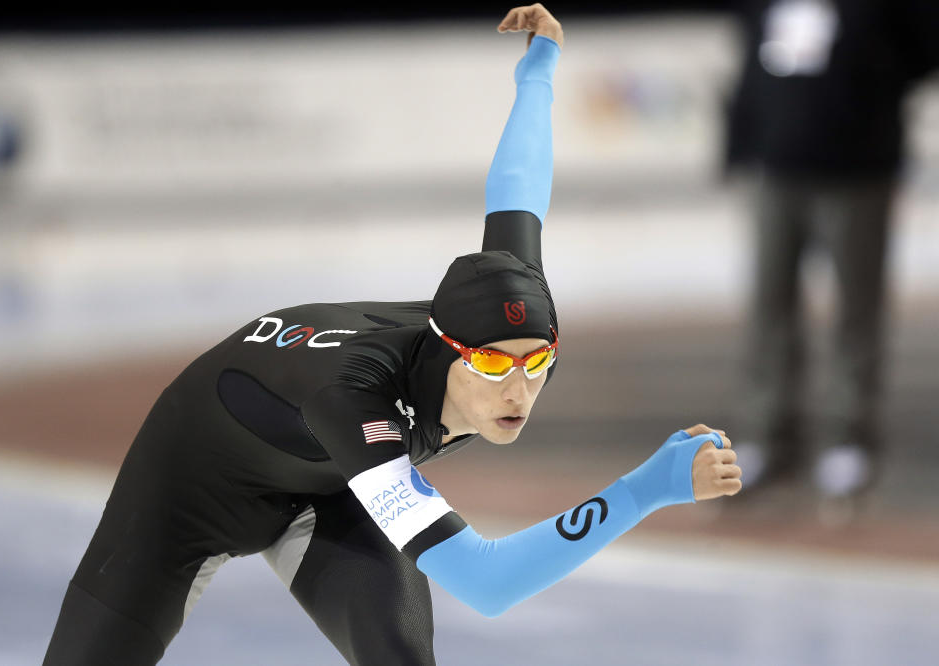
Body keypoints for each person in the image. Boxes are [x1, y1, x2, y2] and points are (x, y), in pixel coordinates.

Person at [45, 6, 742, 665]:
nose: (520, 388)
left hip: (332, 484)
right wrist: (646, 490)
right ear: (445, 350)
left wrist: (540, 69)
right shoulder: (355, 397)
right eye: (494, 366)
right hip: (193, 481)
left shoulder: (512, 305)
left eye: (538, 364)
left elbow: (519, 190)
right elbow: (488, 583)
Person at [725, 0, 938, 503]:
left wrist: (868, 90)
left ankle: (849, 434)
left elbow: (924, 48)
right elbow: (749, 63)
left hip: (857, 169)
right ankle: (767, 431)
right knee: (768, 304)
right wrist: (739, 147)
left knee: (854, 307)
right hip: (776, 167)